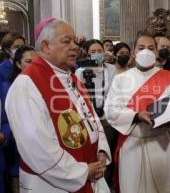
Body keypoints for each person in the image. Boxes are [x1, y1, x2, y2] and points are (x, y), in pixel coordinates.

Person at [5, 18, 111, 193]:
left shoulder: (71, 77)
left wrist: (101, 150)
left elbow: (91, 118)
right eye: (66, 41)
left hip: (90, 171)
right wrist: (82, 171)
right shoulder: (27, 84)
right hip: (54, 183)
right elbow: (36, 145)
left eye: (75, 41)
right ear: (46, 46)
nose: (75, 46)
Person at [104, 33, 170, 193]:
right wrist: (136, 116)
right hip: (132, 145)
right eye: (141, 48)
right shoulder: (121, 79)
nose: (146, 51)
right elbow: (110, 110)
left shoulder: (169, 79)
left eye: (151, 48)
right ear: (134, 52)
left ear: (157, 52)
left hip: (161, 144)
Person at [0, 45, 38, 193]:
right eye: (29, 61)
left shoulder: (48, 84)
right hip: (17, 148)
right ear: (18, 64)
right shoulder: (6, 86)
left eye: (37, 62)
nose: (34, 66)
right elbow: (5, 119)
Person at [75, 39, 116, 117]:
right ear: (87, 54)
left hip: (108, 114)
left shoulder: (111, 69)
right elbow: (78, 95)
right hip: (88, 115)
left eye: (100, 51)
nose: (97, 54)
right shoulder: (80, 71)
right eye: (93, 52)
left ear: (104, 52)